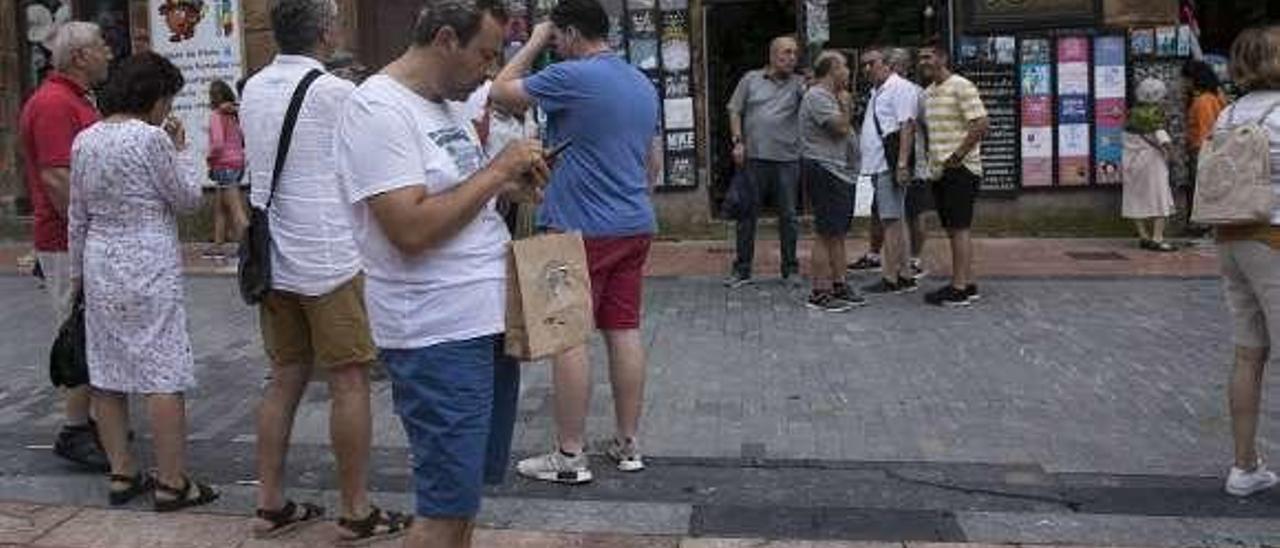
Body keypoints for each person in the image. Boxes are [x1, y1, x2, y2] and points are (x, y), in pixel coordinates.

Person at [336, 1, 548, 546]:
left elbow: (455, 199)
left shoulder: (447, 105)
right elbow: (408, 228)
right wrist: (497, 169)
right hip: (437, 330)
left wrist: (504, 189)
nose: (488, 71)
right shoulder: (378, 109)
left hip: (482, 320)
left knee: (464, 495)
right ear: (447, 40)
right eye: (484, 54)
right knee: (442, 508)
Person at [240, 0, 409, 541]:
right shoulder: (337, 94)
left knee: (284, 376)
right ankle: (356, 509)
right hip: (331, 255)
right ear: (327, 32)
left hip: (274, 260)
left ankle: (269, 501)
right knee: (350, 380)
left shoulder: (252, 89)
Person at [490, 0, 661, 484]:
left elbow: (500, 92)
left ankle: (569, 456)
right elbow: (649, 164)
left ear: (568, 34)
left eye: (558, 38)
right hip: (634, 224)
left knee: (567, 339)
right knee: (624, 330)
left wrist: (536, 38)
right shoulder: (638, 81)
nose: (555, 47)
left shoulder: (573, 75)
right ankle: (628, 444)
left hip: (575, 226)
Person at [69, 51, 218, 511]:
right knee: (162, 370)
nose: (168, 110)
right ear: (153, 97)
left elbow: (77, 215)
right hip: (148, 260)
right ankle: (172, 482)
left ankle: (122, 471)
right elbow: (189, 198)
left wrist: (77, 275)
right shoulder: (151, 140)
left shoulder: (85, 140)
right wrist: (182, 149)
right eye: (168, 100)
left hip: (100, 261)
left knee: (108, 370)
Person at [18, 21, 112, 471]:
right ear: (79, 57)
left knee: (92, 326)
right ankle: (75, 428)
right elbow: (58, 179)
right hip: (66, 239)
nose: (109, 53)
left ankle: (93, 418)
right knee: (81, 329)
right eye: (101, 46)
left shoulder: (73, 99)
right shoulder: (55, 103)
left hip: (77, 235)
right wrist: (94, 233)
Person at [1210, 25, 1280, 498]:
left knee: (1247, 353)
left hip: (1231, 238)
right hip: (1274, 237)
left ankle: (1243, 466)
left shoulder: (1228, 114)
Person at [724, 35, 805, 288]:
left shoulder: (800, 84)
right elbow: (734, 109)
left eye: (794, 53)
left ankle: (790, 269)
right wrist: (738, 141)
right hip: (754, 158)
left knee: (789, 217)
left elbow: (814, 106)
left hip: (787, 159)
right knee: (747, 215)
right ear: (772, 55)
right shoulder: (751, 79)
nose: (791, 58)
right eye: (786, 53)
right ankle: (742, 269)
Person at [848, 49, 931, 281]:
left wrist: (902, 163)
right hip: (878, 164)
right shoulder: (878, 90)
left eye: (871, 63)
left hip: (889, 163)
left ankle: (892, 276)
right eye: (863, 65)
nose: (866, 69)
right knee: (894, 218)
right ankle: (902, 274)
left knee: (892, 221)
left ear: (886, 65)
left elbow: (907, 125)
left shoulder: (899, 88)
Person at [919, 45, 988, 307]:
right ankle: (966, 283)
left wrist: (958, 156)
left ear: (943, 58)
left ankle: (959, 289)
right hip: (941, 171)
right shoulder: (928, 93)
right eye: (921, 58)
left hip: (961, 169)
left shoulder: (961, 86)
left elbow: (981, 123)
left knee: (959, 228)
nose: (923, 61)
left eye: (928, 56)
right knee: (953, 229)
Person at [799, 50, 862, 312]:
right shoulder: (817, 96)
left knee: (837, 233)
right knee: (826, 233)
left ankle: (839, 283)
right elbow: (840, 128)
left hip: (840, 171)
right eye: (845, 67)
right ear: (833, 69)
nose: (848, 72)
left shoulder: (830, 96)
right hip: (826, 169)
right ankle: (819, 291)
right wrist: (846, 105)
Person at [1122, 78, 1177, 253]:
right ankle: (1158, 238)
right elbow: (1163, 139)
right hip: (1152, 162)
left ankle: (1143, 236)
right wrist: (1171, 154)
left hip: (1131, 161)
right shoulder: (1155, 115)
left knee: (1134, 197)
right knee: (1160, 198)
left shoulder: (1131, 114)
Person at [1183, 59, 1228, 236]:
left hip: (1203, 152)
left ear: (1194, 79)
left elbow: (1205, 131)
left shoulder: (1203, 101)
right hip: (1212, 151)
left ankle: (1204, 227)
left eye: (1186, 79)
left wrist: (1200, 156)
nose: (1183, 83)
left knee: (1200, 190)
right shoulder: (1215, 96)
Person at [205, 79, 248, 259]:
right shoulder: (234, 114)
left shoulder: (216, 115)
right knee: (221, 207)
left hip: (223, 165)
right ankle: (218, 244)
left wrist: (209, 158)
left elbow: (218, 143)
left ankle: (247, 247)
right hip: (238, 164)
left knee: (235, 209)